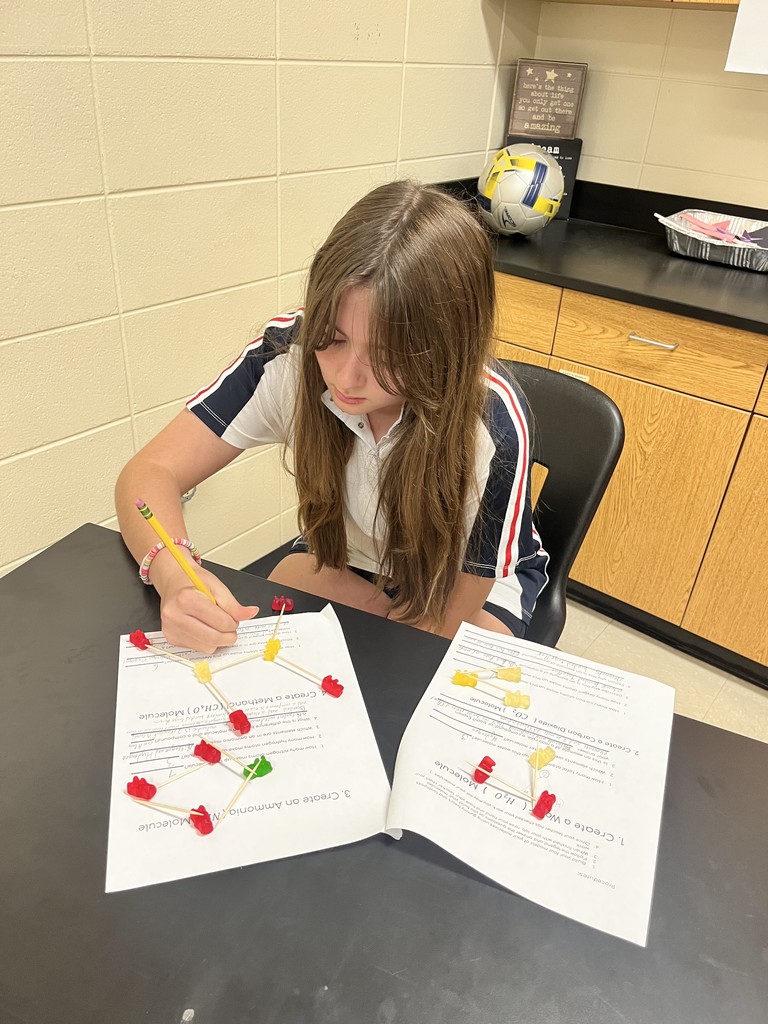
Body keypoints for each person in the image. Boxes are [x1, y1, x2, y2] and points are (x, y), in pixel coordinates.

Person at [115, 180, 549, 653]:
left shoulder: (491, 420)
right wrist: (176, 575)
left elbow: (467, 587)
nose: (345, 377)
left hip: (462, 577)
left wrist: (402, 630)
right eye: (334, 338)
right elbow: (150, 472)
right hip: (351, 553)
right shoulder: (285, 357)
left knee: (431, 668)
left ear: (444, 347)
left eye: (387, 354)